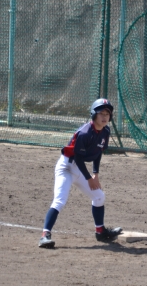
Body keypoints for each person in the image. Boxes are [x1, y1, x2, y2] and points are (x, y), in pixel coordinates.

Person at [38, 98, 122, 248]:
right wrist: (89, 178)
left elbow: (98, 152)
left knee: (99, 196)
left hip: (79, 168)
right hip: (66, 167)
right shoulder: (84, 133)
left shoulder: (106, 131)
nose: (104, 117)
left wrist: (96, 174)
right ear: (94, 115)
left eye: (107, 114)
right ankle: (45, 235)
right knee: (59, 200)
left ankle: (100, 231)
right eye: (101, 113)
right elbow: (77, 157)